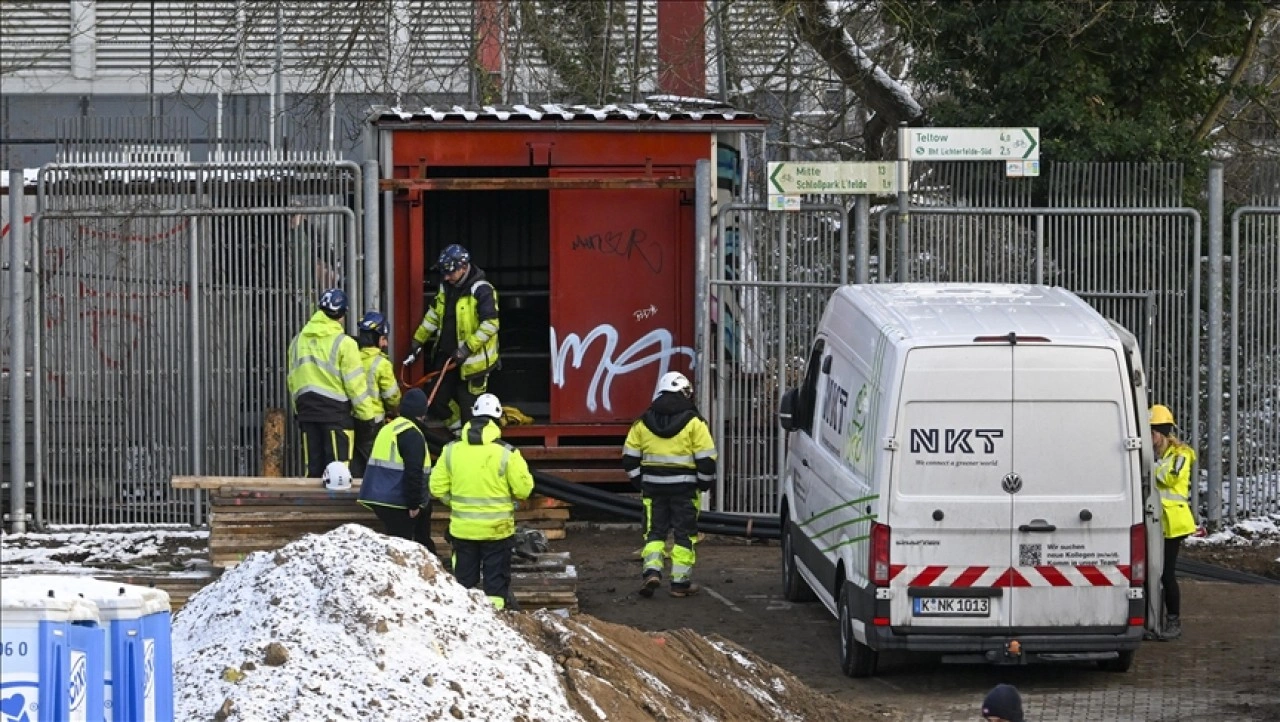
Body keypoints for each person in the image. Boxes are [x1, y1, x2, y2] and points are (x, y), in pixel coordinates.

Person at [429, 393, 534, 609]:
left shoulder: (450, 451)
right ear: (498, 419)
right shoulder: (507, 453)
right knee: (495, 586)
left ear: (473, 416)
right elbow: (524, 490)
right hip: (497, 531)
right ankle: (495, 619)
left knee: (464, 584)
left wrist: (456, 504)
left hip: (463, 531)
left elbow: (436, 488)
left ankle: (465, 621)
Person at [622, 371, 717, 598]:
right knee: (685, 535)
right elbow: (706, 460)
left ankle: (652, 572)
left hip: (653, 489)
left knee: (654, 532)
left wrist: (639, 482)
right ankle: (679, 584)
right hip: (685, 489)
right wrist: (703, 485)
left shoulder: (642, 422)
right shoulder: (695, 423)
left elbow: (629, 457)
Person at [402, 244, 500, 434]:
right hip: (448, 356)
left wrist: (466, 349)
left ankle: (470, 439)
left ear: (463, 267)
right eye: (444, 273)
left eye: (450, 272)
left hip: (474, 364)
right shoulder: (446, 287)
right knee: (436, 400)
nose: (446, 277)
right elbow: (433, 316)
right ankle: (459, 435)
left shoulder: (483, 290)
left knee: (470, 410)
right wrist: (417, 341)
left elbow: (491, 325)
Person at [286, 288, 379, 477]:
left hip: (307, 414)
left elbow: (293, 381)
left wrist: (299, 412)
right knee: (339, 474)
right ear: (342, 315)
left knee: (313, 472)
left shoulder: (297, 341)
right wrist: (367, 418)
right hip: (336, 417)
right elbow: (356, 386)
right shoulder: (345, 343)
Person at [357, 388, 436, 553]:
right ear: (422, 412)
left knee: (401, 543)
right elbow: (414, 472)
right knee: (411, 545)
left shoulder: (388, 428)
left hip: (378, 496)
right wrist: (414, 504)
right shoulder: (412, 434)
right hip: (398, 500)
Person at [1151, 403, 1197, 641]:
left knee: (1167, 574)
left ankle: (1173, 621)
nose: (1149, 437)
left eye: (1151, 432)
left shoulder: (1181, 454)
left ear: (1161, 433)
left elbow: (1169, 477)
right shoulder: (1159, 455)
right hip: (1157, 521)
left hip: (1174, 523)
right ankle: (1154, 622)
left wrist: (1150, 466)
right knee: (1153, 573)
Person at [351, 311, 401, 478]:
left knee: (356, 465)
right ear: (376, 338)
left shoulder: (352, 358)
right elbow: (392, 397)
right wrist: (395, 411)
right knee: (375, 467)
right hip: (373, 423)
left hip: (352, 420)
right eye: (384, 338)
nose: (386, 343)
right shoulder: (382, 364)